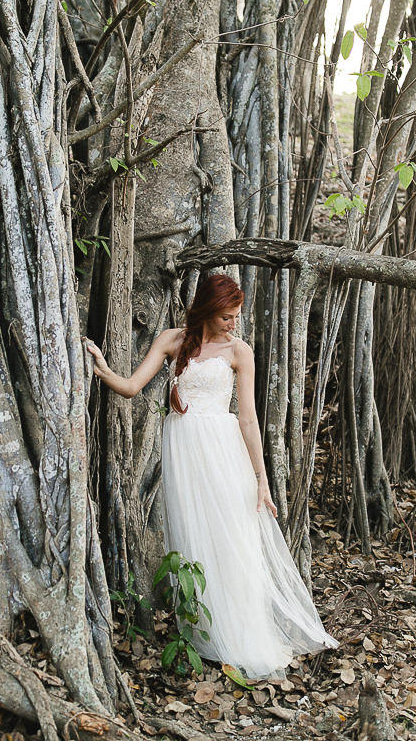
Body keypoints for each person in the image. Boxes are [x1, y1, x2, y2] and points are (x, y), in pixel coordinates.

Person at [85, 273, 338, 679]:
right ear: (206, 310)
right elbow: (132, 387)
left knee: (233, 537)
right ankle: (206, 633)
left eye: (236, 316)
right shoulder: (172, 340)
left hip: (223, 450)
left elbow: (249, 419)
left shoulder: (240, 352)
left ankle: (244, 634)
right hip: (184, 449)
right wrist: (102, 369)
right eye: (226, 316)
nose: (233, 323)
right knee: (195, 535)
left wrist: (261, 478)